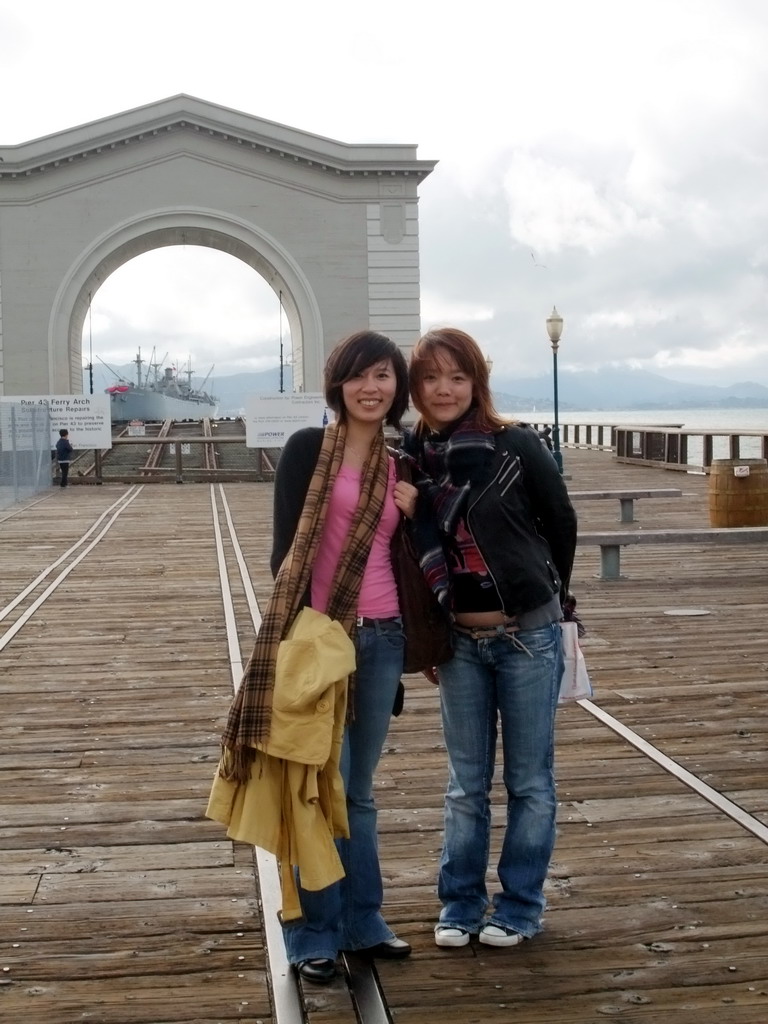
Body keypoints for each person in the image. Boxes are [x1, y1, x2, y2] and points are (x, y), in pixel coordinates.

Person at [209, 330, 417, 985]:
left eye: (383, 376)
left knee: (356, 792)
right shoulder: (307, 450)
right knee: (314, 786)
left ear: (396, 387)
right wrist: (313, 637)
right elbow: (283, 555)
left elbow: (406, 560)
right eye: (359, 376)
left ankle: (364, 920)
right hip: (319, 639)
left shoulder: (401, 465)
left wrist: (413, 514)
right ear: (338, 384)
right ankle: (312, 932)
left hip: (383, 638)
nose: (371, 387)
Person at [402, 326, 577, 950]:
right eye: (431, 377)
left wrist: (546, 599)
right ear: (415, 387)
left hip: (527, 636)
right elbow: (408, 553)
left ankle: (521, 905)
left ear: (477, 382)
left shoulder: (516, 445)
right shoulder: (410, 457)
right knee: (464, 783)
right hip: (457, 644)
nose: (444, 389)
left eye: (457, 376)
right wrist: (427, 631)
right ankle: (460, 904)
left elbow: (560, 523)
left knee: (530, 780)